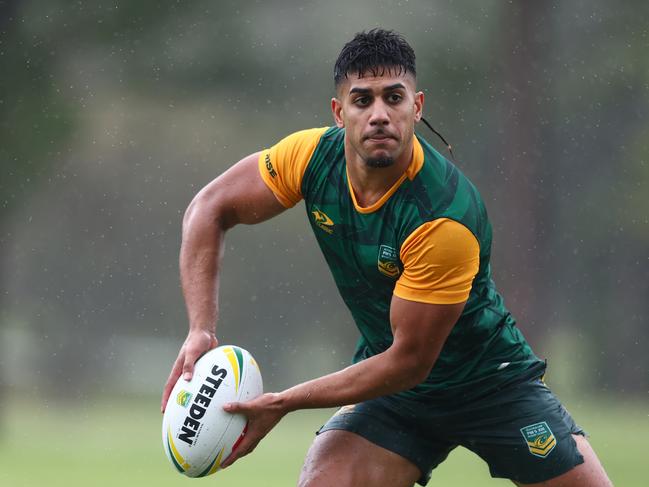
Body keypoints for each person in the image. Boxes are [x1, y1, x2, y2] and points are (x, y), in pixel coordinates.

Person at [161, 29, 612, 487]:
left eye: (393, 97)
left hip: (489, 385)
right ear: (339, 113)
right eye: (362, 100)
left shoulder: (442, 218)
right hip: (395, 396)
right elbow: (208, 209)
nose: (379, 115)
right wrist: (201, 328)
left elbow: (409, 361)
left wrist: (285, 402)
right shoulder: (311, 159)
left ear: (416, 106)